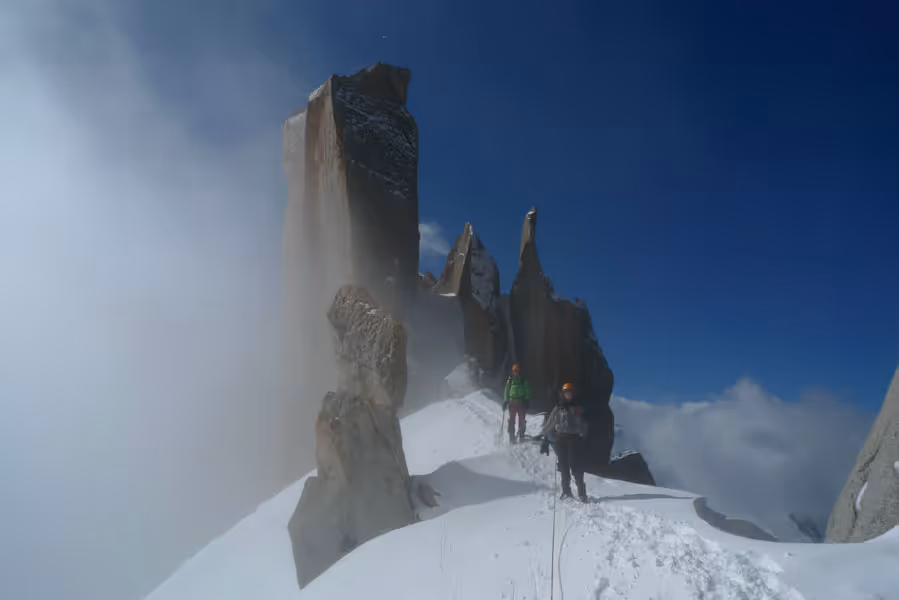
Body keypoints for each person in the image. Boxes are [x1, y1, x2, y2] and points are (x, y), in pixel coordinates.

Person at [539, 382, 588, 501]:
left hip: (574, 439)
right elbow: (550, 424)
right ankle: (566, 492)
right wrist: (545, 440)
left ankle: (581, 493)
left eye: (570, 392)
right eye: (566, 392)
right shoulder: (558, 408)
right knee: (563, 466)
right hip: (561, 439)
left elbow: (583, 424)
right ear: (563, 394)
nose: (569, 394)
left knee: (576, 466)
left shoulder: (578, 407)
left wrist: (583, 436)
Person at [503, 364, 531, 444]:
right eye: (514, 371)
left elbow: (527, 390)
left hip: (521, 402)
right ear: (512, 371)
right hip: (512, 403)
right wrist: (506, 401)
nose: (516, 372)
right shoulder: (510, 380)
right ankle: (511, 437)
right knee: (511, 420)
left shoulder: (523, 380)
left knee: (522, 420)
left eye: (517, 371)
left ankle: (521, 436)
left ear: (519, 371)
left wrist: (527, 400)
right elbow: (507, 391)